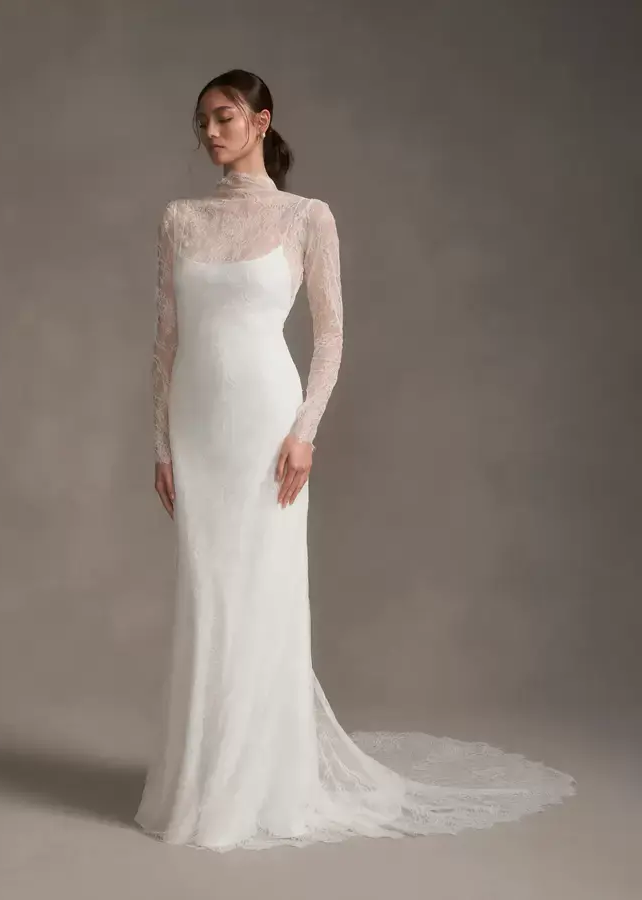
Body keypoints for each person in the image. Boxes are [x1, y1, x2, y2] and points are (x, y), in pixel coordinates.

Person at [134, 69, 576, 852]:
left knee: (263, 593)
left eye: (225, 116)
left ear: (261, 120)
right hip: (199, 428)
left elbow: (331, 333)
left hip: (267, 425)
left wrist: (305, 430)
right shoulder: (180, 219)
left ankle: (262, 786)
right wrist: (161, 444)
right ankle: (200, 781)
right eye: (201, 120)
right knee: (208, 594)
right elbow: (166, 341)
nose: (210, 132)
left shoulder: (308, 216)